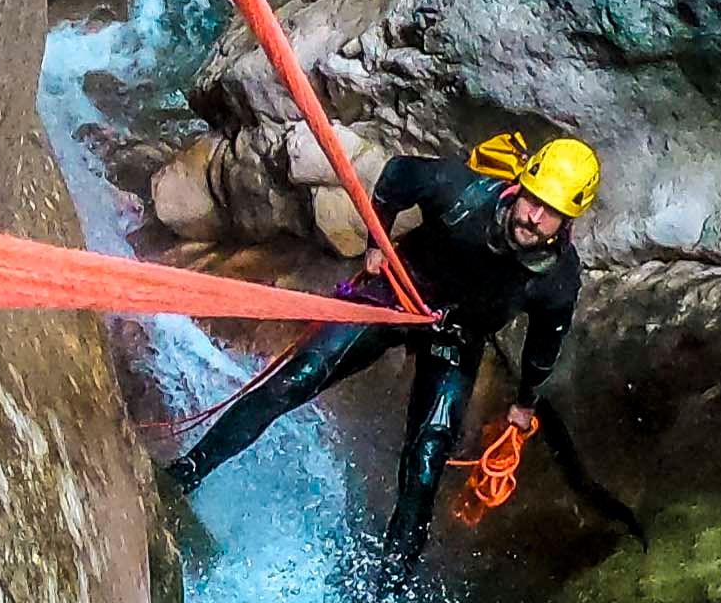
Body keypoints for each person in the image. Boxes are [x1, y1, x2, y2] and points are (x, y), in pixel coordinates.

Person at [163, 135, 607, 567]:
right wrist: (377, 245)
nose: (533, 216)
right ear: (522, 187)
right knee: (299, 378)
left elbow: (544, 342)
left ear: (568, 221)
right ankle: (186, 473)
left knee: (426, 464)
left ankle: (387, 596)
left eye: (550, 212)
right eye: (533, 200)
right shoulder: (464, 193)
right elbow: (397, 176)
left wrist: (525, 403)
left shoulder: (557, 279)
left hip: (457, 334)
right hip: (399, 291)